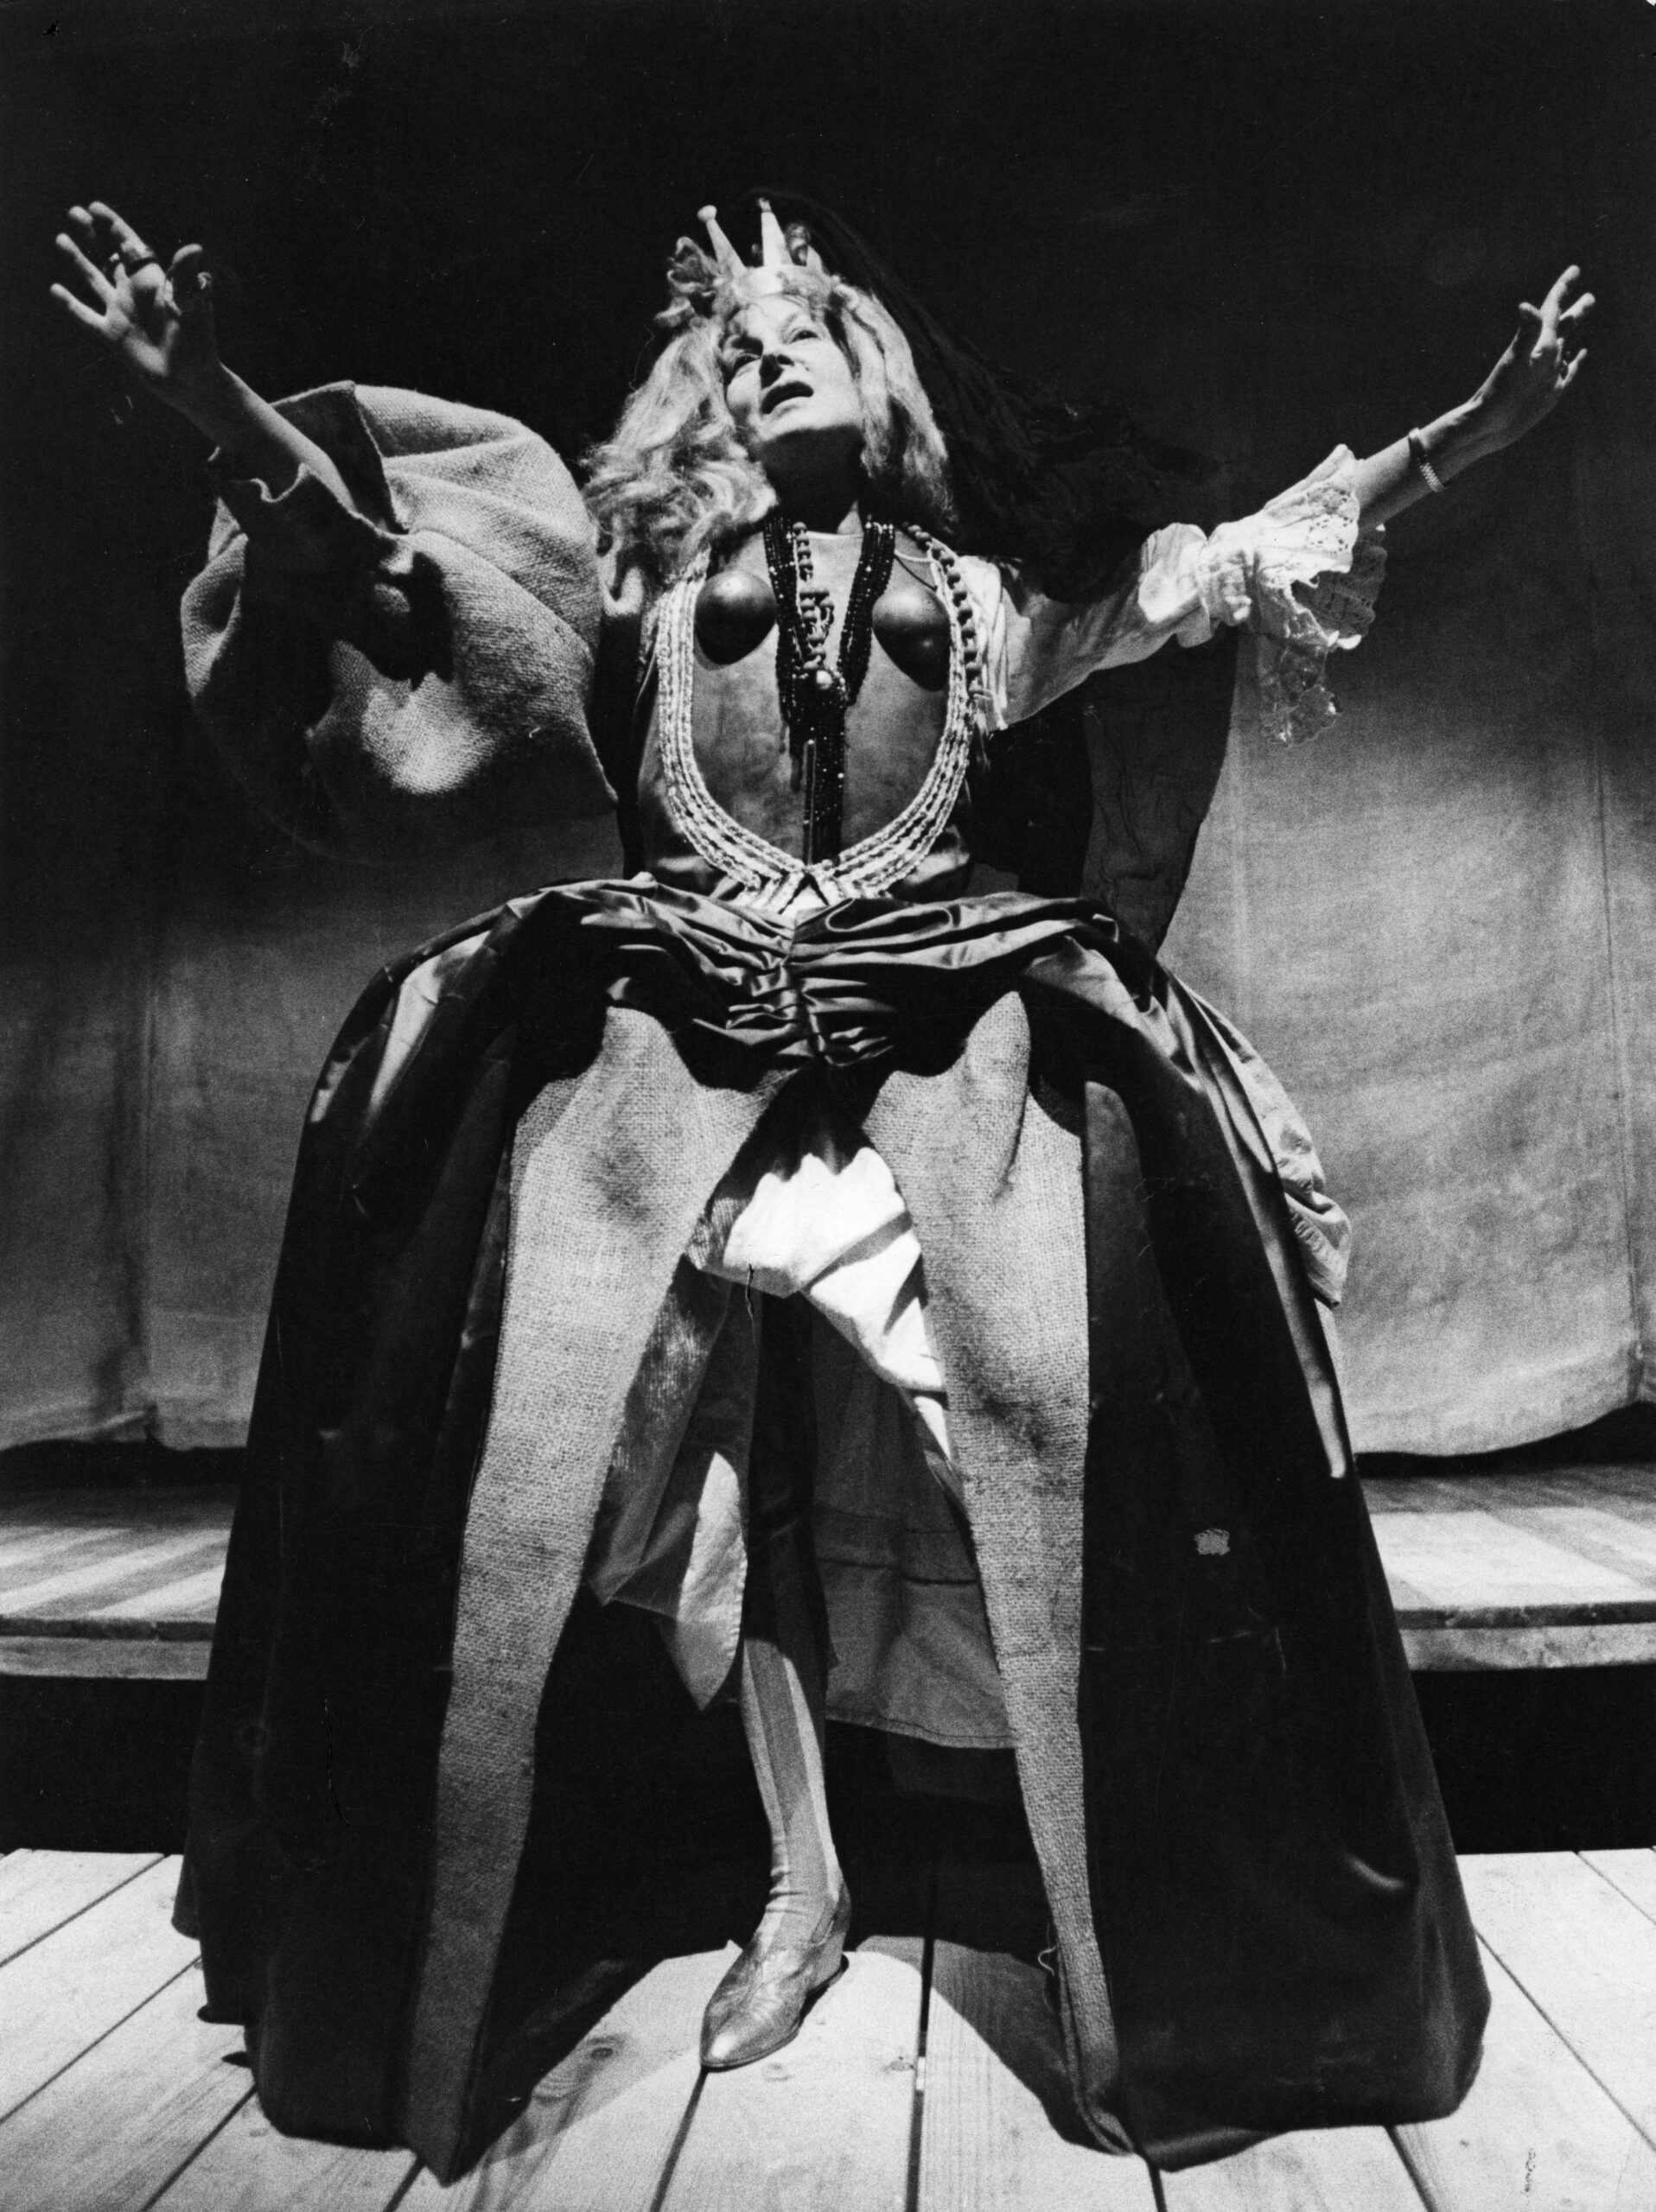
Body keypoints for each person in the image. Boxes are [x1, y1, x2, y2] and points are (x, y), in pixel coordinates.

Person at [53, 193, 1589, 2179]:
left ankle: (1108, 1888)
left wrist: (1467, 429)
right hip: (674, 1070)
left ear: (878, 367)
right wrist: (214, 397)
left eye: (806, 319)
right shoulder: (635, 591)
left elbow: (1226, 567)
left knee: (1039, 1431)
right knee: (670, 1467)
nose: (770, 344)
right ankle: (794, 1883)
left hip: (937, 1059)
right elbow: (386, 575)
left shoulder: (985, 601)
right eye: (740, 334)